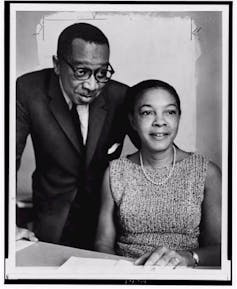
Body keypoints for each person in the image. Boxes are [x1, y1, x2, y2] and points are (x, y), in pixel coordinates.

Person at [16, 22, 138, 249]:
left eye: (101, 73)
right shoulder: (27, 89)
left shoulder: (121, 96)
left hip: (108, 224)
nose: (92, 85)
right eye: (81, 72)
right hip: (51, 220)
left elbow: (154, 152)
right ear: (57, 64)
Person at [95, 79, 221, 267]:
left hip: (185, 276)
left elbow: (221, 249)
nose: (160, 122)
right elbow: (102, 244)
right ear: (132, 121)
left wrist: (189, 257)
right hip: (128, 275)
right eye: (147, 113)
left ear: (178, 117)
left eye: (170, 112)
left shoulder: (206, 172)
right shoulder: (115, 172)